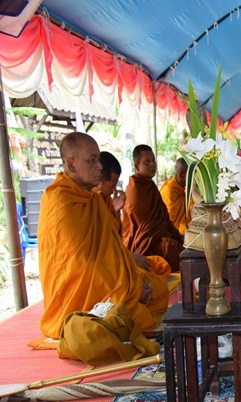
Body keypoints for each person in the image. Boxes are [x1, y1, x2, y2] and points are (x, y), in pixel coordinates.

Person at [35, 132, 169, 350]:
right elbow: (83, 265)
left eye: (98, 159)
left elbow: (112, 248)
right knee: (136, 316)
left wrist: (134, 280)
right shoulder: (60, 200)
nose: (99, 166)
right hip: (81, 298)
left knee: (158, 286)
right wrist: (133, 290)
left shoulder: (93, 199)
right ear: (71, 163)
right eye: (92, 160)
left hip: (108, 284)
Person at [122, 144, 184, 271]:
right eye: (147, 162)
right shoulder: (135, 189)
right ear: (136, 165)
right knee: (169, 248)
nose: (152, 164)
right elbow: (144, 228)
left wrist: (178, 237)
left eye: (153, 160)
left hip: (158, 237)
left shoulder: (150, 185)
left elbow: (163, 218)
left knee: (181, 248)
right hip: (143, 245)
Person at [160, 157, 191, 236]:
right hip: (170, 235)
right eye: (190, 174)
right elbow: (169, 222)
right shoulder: (170, 191)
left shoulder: (180, 188)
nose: (193, 177)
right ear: (181, 175)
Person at [95, 151, 126, 228]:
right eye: (111, 186)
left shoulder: (107, 201)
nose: (114, 190)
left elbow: (115, 234)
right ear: (98, 181)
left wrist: (116, 212)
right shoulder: (85, 201)